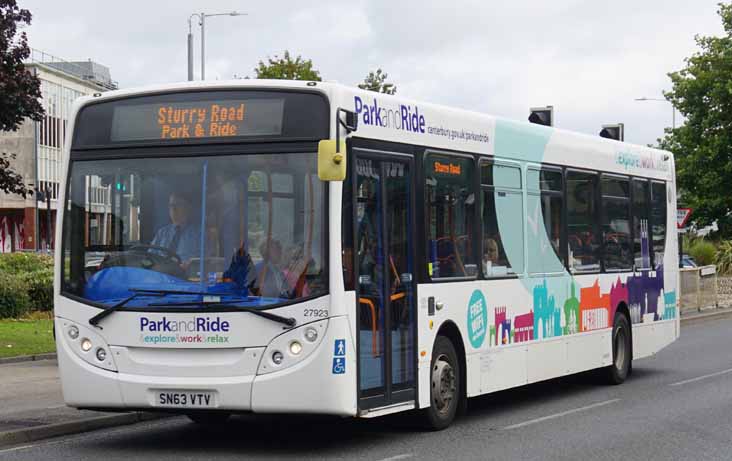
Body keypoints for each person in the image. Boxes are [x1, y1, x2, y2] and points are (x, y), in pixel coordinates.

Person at [151, 191, 200, 263]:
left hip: (185, 273)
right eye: (171, 205)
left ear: (188, 207)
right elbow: (150, 256)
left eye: (178, 205)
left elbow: (203, 262)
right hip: (160, 271)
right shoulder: (162, 233)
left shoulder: (199, 234)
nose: (173, 209)